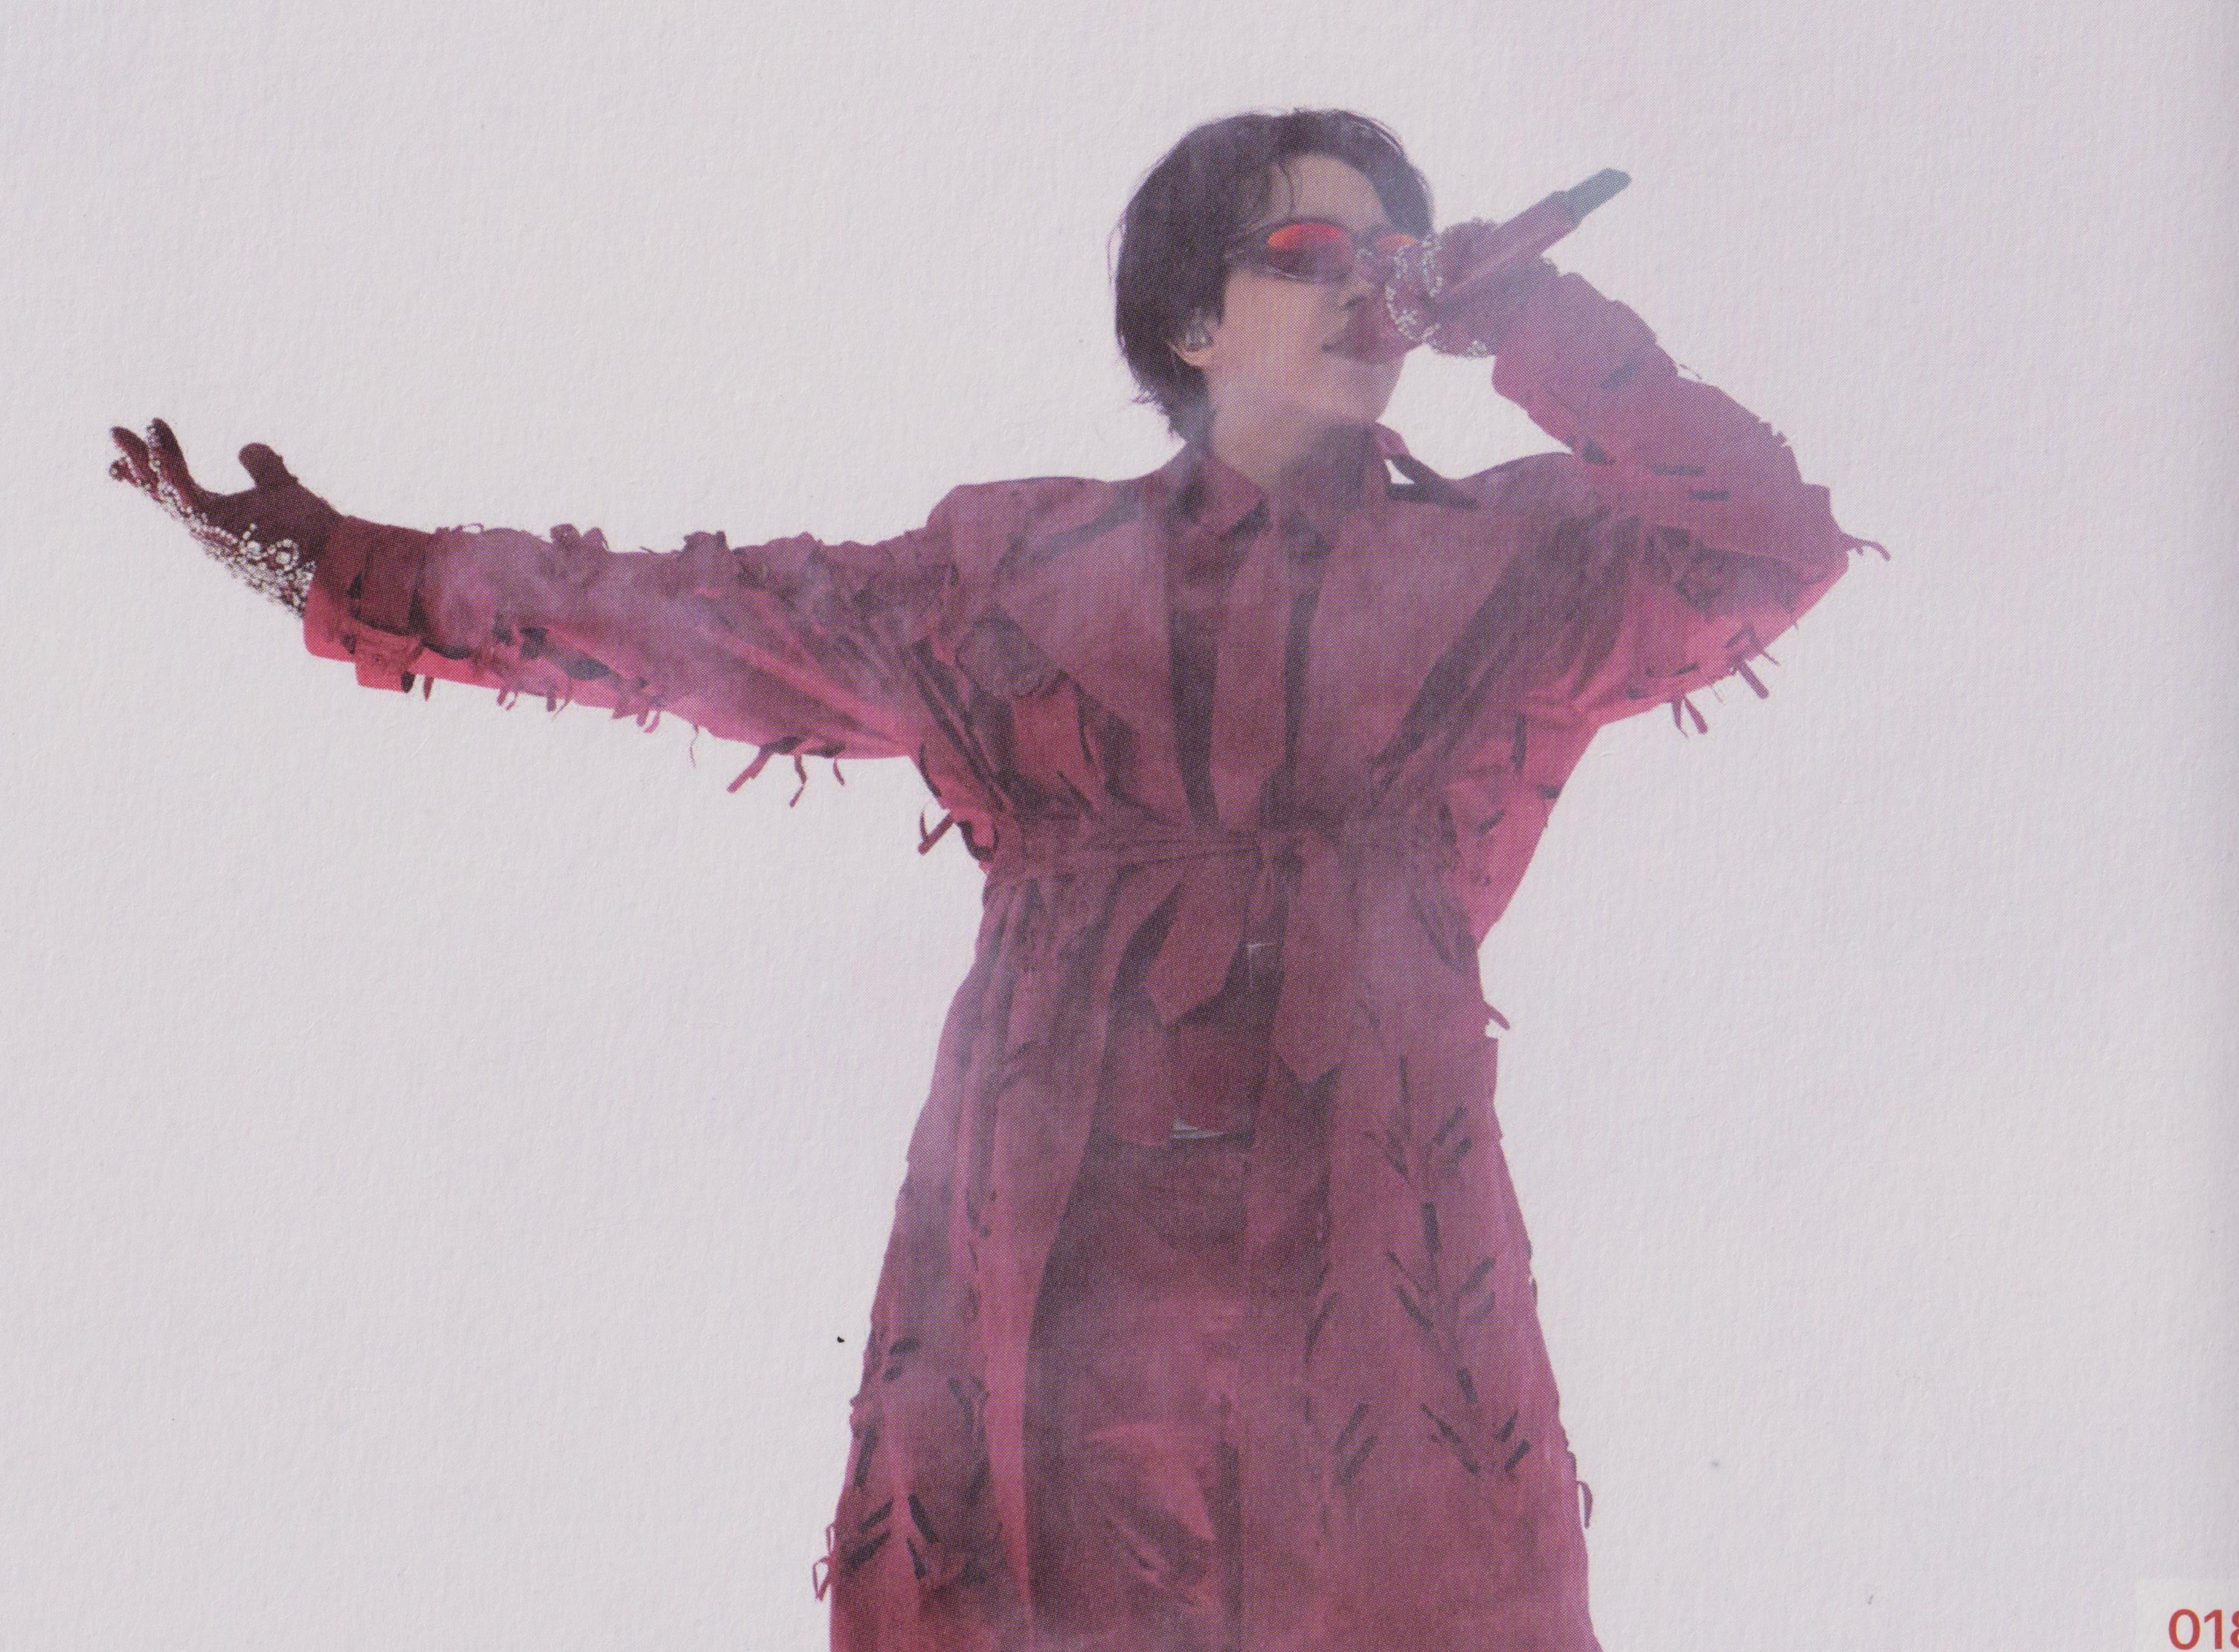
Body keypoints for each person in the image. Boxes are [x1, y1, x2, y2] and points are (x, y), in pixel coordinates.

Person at [109, 108, 1875, 1652]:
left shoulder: (1511, 564)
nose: (1366, 289)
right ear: (1190, 316)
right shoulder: (1008, 571)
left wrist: (1530, 317)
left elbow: (1764, 541)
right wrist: (335, 569)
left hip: (1370, 1299)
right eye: (1306, 253)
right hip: (1046, 1291)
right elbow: (683, 623)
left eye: (1396, 256)